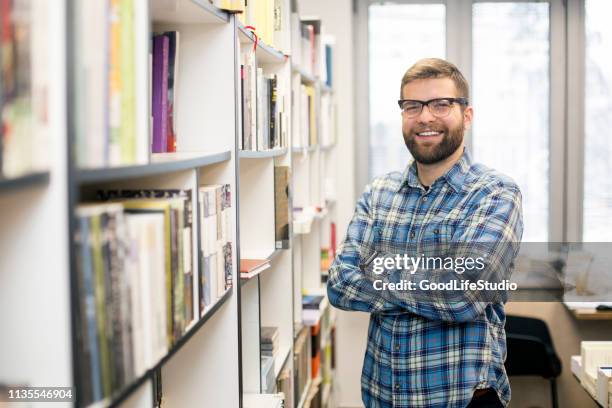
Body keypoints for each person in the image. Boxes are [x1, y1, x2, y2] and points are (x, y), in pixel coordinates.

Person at [327, 58, 523, 408]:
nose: (425, 117)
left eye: (441, 104)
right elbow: (341, 284)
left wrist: (381, 269)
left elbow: (463, 296)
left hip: (462, 400)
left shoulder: (495, 193)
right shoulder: (379, 193)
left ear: (467, 115)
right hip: (383, 396)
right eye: (412, 106)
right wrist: (435, 275)